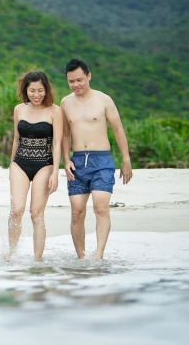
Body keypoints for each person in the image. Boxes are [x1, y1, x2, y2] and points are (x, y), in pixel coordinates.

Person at [60, 59, 132, 260]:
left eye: (80, 80)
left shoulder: (104, 100)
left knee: (101, 208)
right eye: (71, 81)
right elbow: (65, 135)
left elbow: (118, 129)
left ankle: (99, 254)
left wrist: (126, 159)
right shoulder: (65, 103)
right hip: (77, 161)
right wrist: (66, 160)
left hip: (102, 161)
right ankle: (81, 257)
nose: (76, 85)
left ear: (89, 76)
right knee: (77, 212)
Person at [4, 71, 62, 262]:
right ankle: (11, 253)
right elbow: (16, 140)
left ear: (46, 90)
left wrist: (55, 172)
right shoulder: (19, 109)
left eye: (40, 90)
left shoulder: (55, 111)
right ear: (25, 90)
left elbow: (57, 144)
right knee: (17, 209)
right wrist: (12, 165)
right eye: (32, 91)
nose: (36, 95)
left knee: (36, 212)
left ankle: (37, 260)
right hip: (20, 162)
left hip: (44, 165)